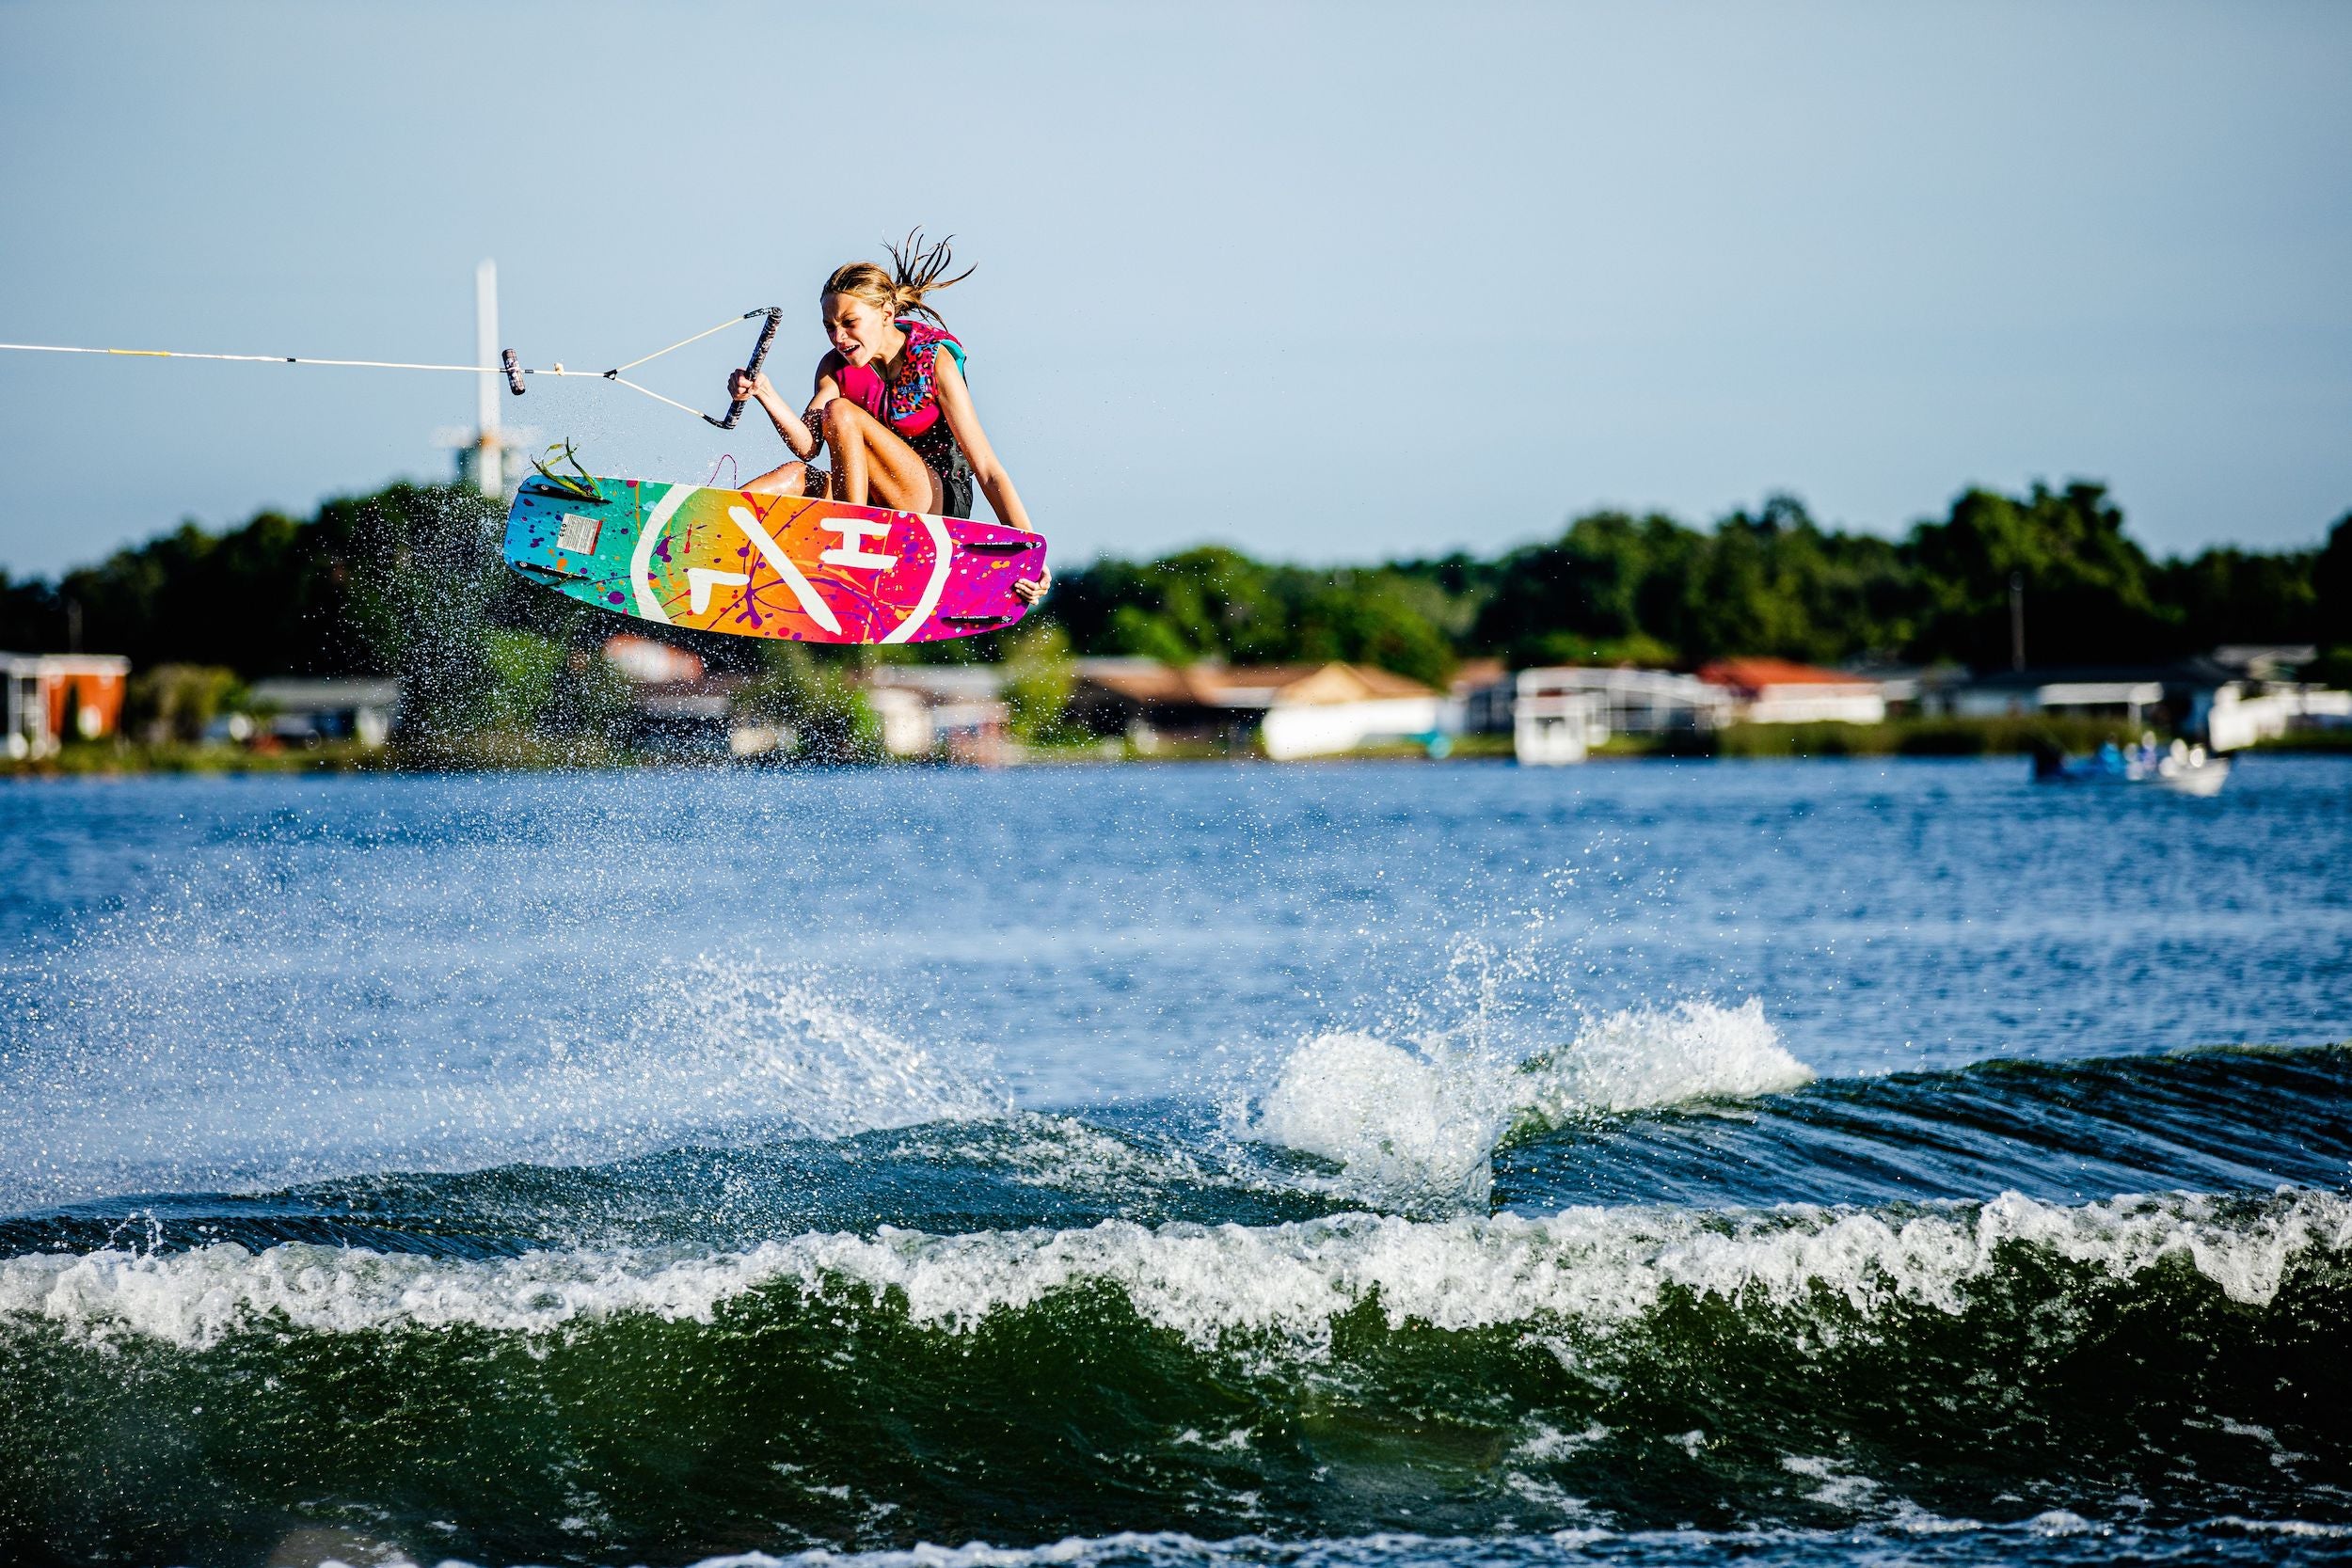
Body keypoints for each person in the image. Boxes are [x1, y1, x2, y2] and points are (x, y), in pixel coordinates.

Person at [729, 232, 1047, 603]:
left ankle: (850, 540)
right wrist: (765, 393)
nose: (838, 337)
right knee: (792, 476)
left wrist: (1029, 551)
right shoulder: (835, 368)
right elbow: (808, 446)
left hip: (936, 501)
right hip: (876, 499)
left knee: (841, 412)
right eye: (829, 326)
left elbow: (988, 468)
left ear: (886, 314)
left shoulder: (935, 362)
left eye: (849, 322)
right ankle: (709, 535)